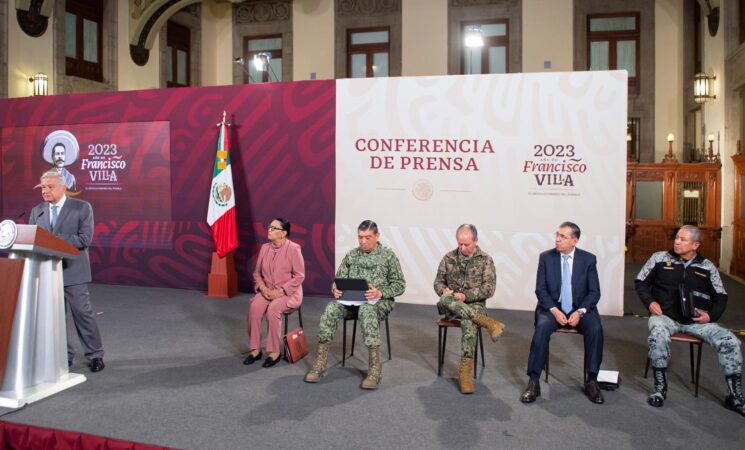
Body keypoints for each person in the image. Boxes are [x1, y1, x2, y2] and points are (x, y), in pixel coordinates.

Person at [635, 225, 744, 416]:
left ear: (696, 245)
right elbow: (641, 282)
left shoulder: (707, 266)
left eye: (683, 239)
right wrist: (650, 302)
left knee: (731, 341)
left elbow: (721, 296)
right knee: (657, 336)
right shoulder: (659, 258)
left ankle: (734, 396)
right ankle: (660, 388)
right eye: (677, 238)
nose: (677, 242)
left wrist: (710, 317)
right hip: (665, 318)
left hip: (698, 322)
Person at [304, 220, 405, 389]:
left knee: (367, 310)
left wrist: (381, 292)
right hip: (351, 301)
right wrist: (335, 289)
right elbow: (338, 280)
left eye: (368, 237)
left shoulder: (388, 256)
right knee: (331, 308)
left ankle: (375, 369)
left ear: (377, 236)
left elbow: (400, 284)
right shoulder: (352, 255)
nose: (363, 241)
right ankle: (320, 364)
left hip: (378, 302)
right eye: (360, 237)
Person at [521, 221, 604, 404]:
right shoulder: (546, 257)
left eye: (563, 237)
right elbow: (540, 290)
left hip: (580, 308)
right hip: (552, 307)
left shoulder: (588, 259)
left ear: (574, 241)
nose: (557, 240)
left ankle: (592, 380)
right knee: (542, 328)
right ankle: (533, 381)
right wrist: (554, 310)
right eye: (557, 235)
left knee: (595, 329)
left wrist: (581, 312)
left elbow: (594, 292)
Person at [29, 170, 104, 372]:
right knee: (55, 317)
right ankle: (64, 355)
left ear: (64, 187)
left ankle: (95, 355)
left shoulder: (82, 208)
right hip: (47, 272)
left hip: (73, 271)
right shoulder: (37, 211)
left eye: (50, 187)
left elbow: (84, 239)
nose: (45, 191)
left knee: (82, 314)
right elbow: (31, 240)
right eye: (42, 187)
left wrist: (53, 240)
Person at [434, 224, 505, 394]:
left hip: (475, 304)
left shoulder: (485, 259)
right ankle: (488, 322)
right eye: (460, 244)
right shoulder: (449, 258)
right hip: (450, 304)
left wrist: (465, 296)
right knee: (444, 300)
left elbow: (489, 289)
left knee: (468, 322)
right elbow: (437, 282)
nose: (463, 248)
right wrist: (443, 290)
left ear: (476, 241)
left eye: (467, 244)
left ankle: (465, 372)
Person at [243, 218, 305, 368]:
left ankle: (274, 352)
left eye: (273, 228)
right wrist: (263, 289)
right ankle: (255, 349)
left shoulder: (294, 248)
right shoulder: (265, 248)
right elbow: (257, 273)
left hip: (288, 293)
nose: (269, 230)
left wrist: (282, 291)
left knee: (273, 309)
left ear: (283, 233)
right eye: (269, 227)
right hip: (268, 291)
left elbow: (299, 275)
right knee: (255, 308)